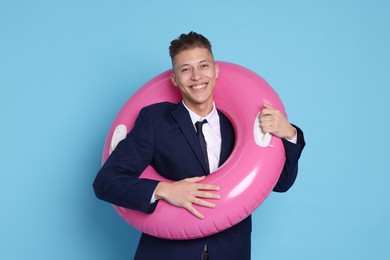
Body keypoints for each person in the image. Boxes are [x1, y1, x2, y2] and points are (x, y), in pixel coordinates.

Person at [93, 32, 305, 260]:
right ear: (175, 79)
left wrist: (290, 134)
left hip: (230, 251)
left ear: (215, 71)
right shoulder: (155, 121)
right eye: (186, 69)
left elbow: (281, 184)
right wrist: (164, 189)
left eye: (203, 66)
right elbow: (105, 183)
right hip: (168, 253)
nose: (196, 76)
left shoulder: (245, 124)